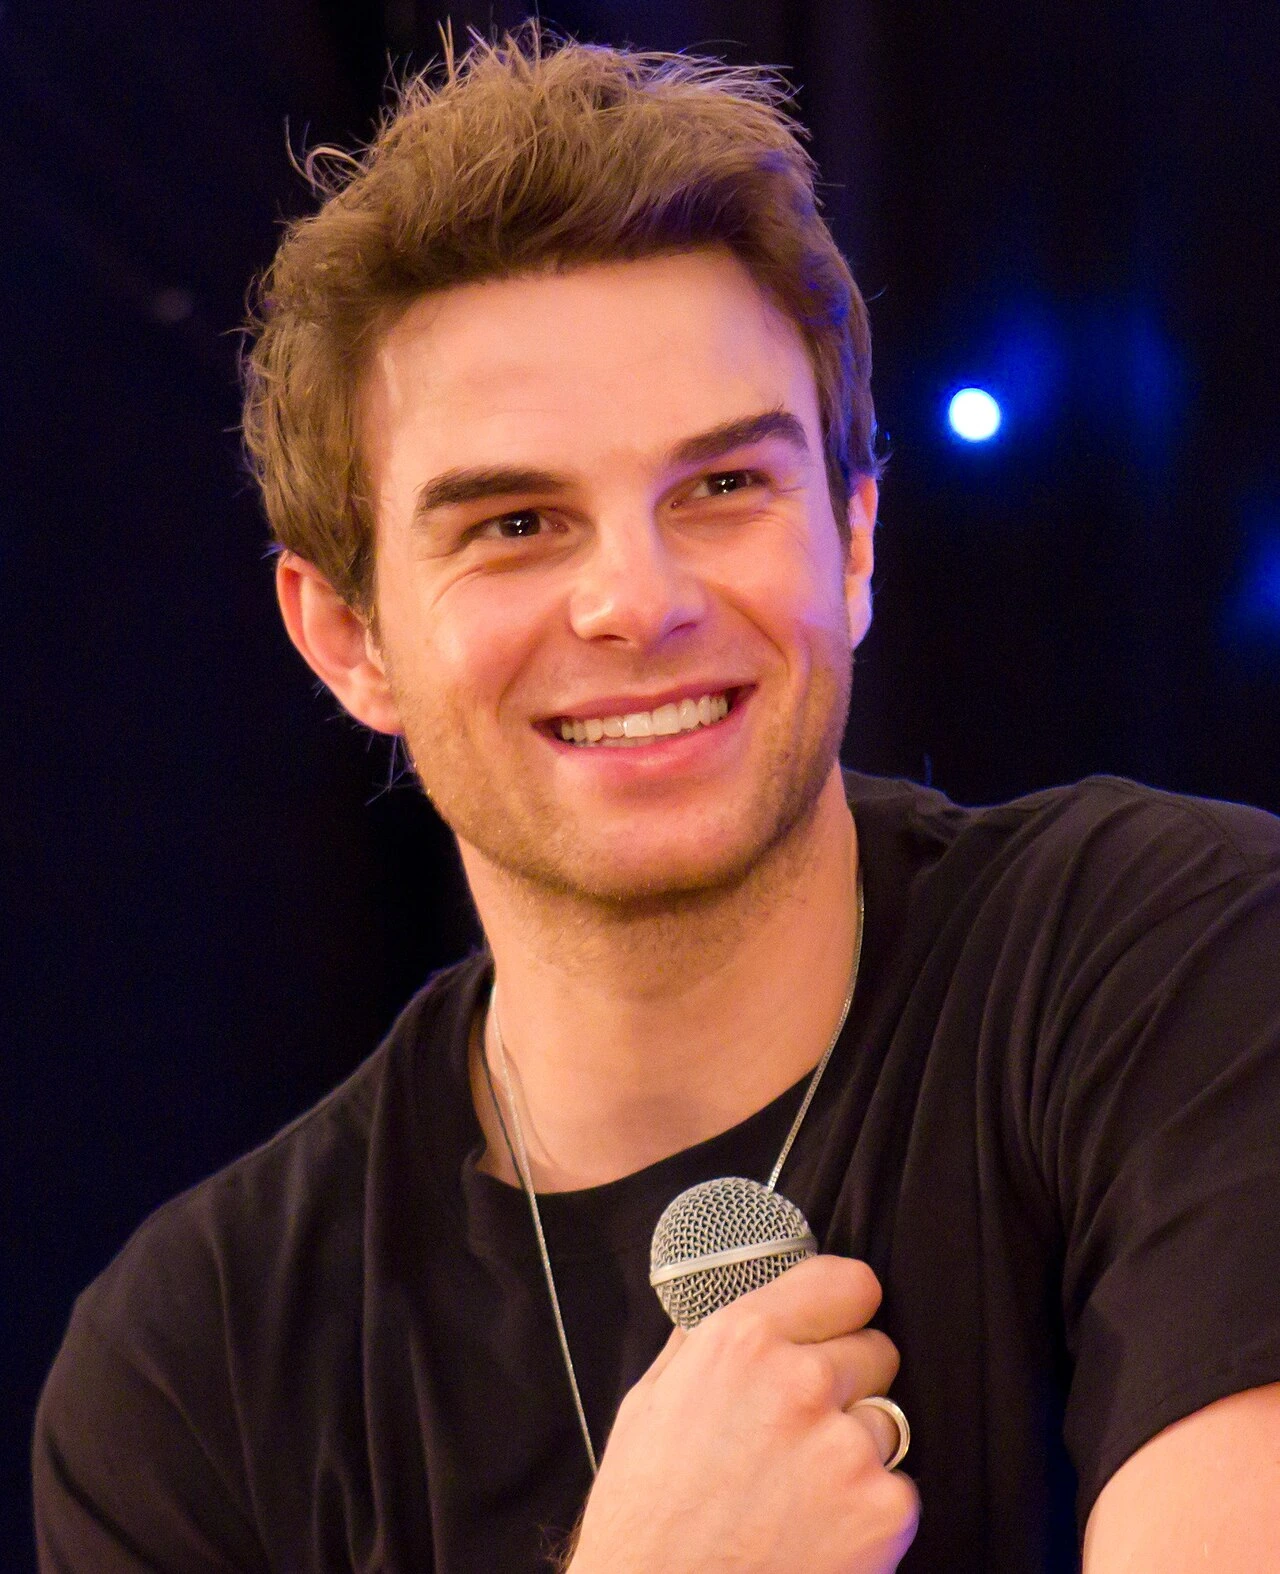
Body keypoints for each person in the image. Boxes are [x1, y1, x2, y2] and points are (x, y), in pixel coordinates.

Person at [32, 27, 1280, 1574]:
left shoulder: (1171, 964)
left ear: (857, 537)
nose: (639, 599)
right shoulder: (193, 1371)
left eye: (724, 486)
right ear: (347, 637)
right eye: (515, 522)